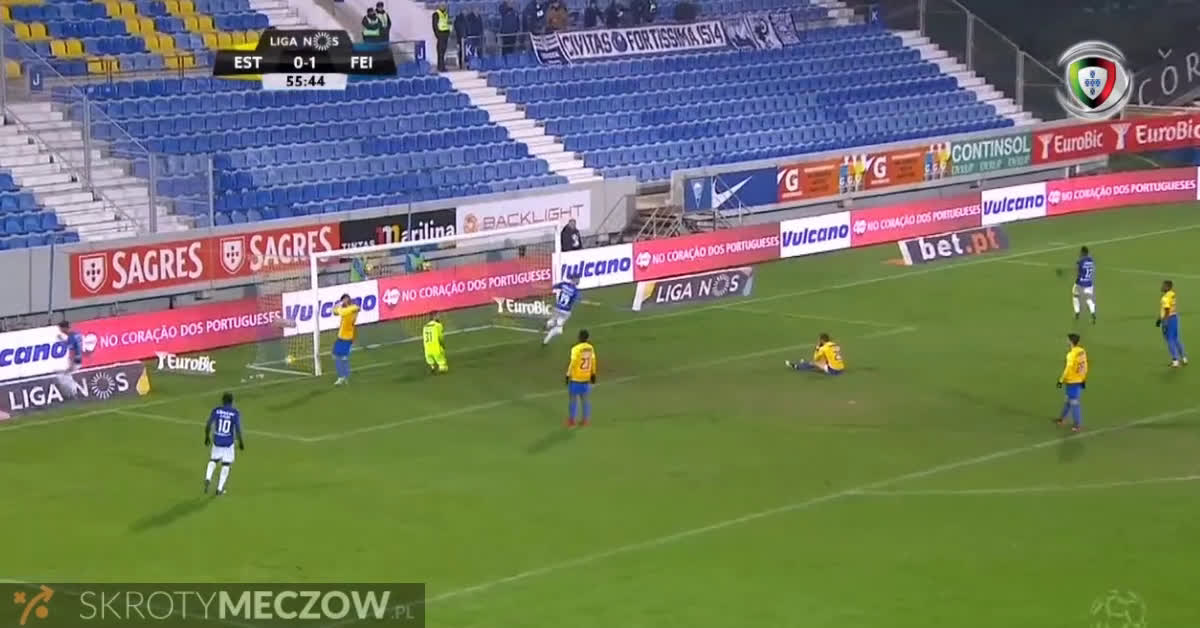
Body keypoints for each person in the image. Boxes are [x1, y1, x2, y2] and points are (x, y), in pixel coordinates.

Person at [204, 392, 244, 496]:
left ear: (223, 401)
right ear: (232, 401)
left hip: (217, 440)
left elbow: (208, 424)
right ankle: (219, 489)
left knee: (213, 460)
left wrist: (207, 437)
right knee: (226, 464)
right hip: (228, 443)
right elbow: (238, 429)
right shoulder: (235, 413)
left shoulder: (216, 410)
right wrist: (241, 442)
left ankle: (208, 477)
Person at [1055, 333, 1088, 432]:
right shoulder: (1082, 351)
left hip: (1072, 381)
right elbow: (1085, 365)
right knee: (1068, 400)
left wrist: (1061, 380)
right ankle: (1061, 419)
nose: (1066, 341)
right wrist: (1084, 378)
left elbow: (1068, 369)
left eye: (1067, 340)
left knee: (1074, 402)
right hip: (1079, 380)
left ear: (1070, 342)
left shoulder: (1071, 354)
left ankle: (1077, 425)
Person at [564, 329, 597, 428]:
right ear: (587, 338)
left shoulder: (576, 349)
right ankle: (585, 420)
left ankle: (572, 421)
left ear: (579, 337)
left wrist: (568, 374)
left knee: (573, 399)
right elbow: (593, 361)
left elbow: (573, 362)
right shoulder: (590, 348)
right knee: (585, 399)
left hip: (576, 378)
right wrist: (593, 374)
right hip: (586, 377)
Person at [1157, 279, 1188, 367]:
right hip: (1174, 317)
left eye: (1163, 285)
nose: (1162, 286)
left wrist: (1164, 321)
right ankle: (1184, 357)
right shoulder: (1172, 294)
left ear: (1167, 287)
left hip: (1169, 319)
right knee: (1176, 338)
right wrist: (1159, 318)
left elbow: (1166, 310)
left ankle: (1175, 360)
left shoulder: (1165, 298)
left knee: (1170, 340)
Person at [544, 273, 580, 345]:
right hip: (565, 312)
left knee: (554, 321)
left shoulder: (564, 284)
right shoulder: (576, 291)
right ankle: (545, 340)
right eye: (577, 279)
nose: (578, 280)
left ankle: (548, 324)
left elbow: (554, 287)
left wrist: (547, 288)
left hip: (557, 308)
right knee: (559, 329)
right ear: (574, 280)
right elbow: (574, 302)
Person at [332, 294, 359, 386]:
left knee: (342, 357)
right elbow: (334, 312)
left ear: (348, 299)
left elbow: (346, 312)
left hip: (348, 337)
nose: (344, 301)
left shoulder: (353, 308)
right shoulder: (344, 309)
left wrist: (339, 308)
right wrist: (337, 306)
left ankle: (344, 377)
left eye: (345, 299)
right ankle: (343, 376)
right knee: (337, 356)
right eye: (343, 300)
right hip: (341, 336)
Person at [56, 320, 86, 398]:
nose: (60, 330)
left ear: (65, 328)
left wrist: (71, 364)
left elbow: (71, 349)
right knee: (66, 375)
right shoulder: (76, 334)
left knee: (63, 375)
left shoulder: (71, 337)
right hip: (79, 359)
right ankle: (74, 392)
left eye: (61, 328)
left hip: (75, 360)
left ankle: (74, 392)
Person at [1072, 246, 1096, 323]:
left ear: (1082, 252)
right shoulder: (1091, 260)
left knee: (1075, 295)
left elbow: (1077, 269)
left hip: (1080, 283)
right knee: (1088, 299)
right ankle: (1093, 313)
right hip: (1089, 283)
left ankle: (1077, 312)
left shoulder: (1080, 261)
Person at [432, 2, 452, 71]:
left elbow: (449, 23)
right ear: (439, 6)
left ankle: (442, 66)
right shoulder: (436, 14)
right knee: (440, 52)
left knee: (443, 52)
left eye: (444, 5)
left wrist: (449, 32)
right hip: (440, 34)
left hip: (446, 34)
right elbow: (434, 25)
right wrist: (437, 35)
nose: (443, 6)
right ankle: (440, 67)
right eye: (442, 5)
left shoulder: (446, 13)